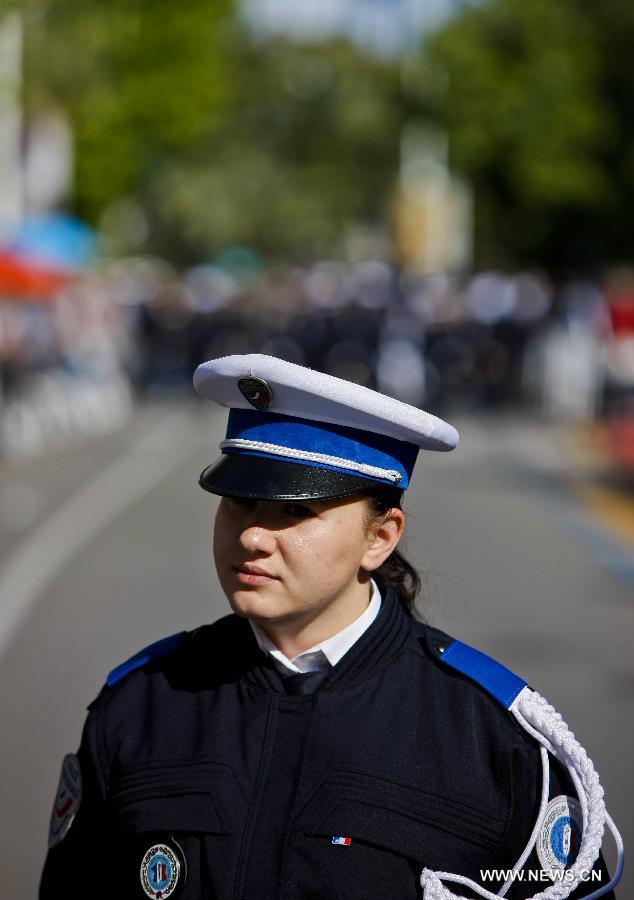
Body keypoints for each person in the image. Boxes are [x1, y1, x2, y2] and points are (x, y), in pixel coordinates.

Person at [40, 354, 621, 900]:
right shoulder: (141, 704)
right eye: (238, 502)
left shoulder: (493, 738)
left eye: (294, 510)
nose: (251, 537)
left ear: (379, 538)